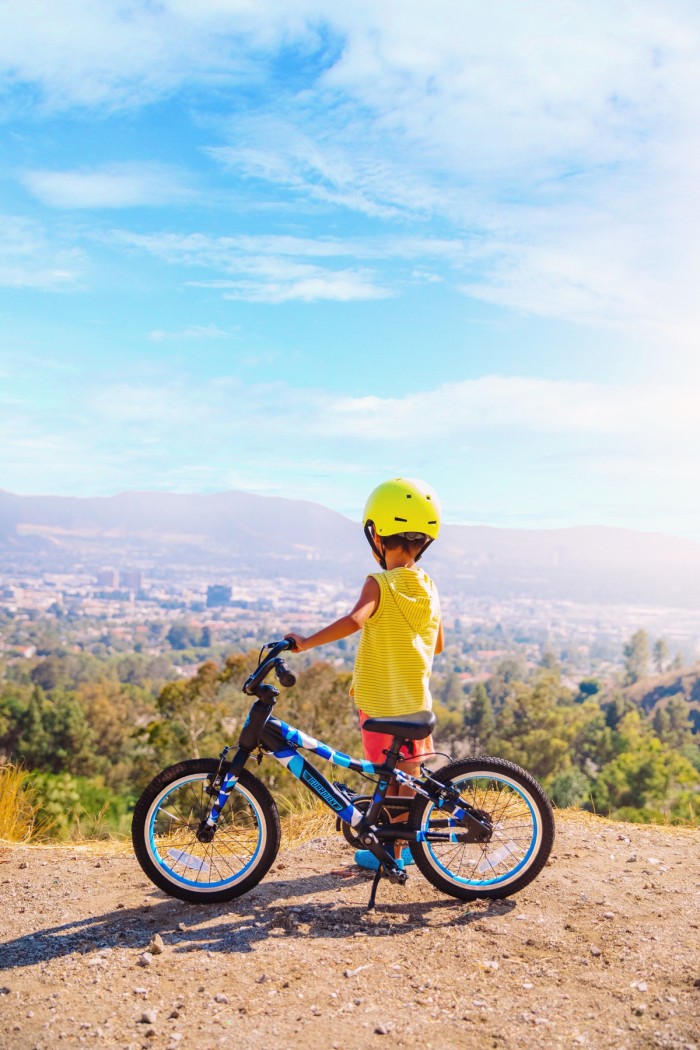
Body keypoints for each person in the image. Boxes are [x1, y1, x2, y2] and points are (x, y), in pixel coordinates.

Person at [286, 477, 443, 871]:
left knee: (388, 782)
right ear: (423, 540)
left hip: (379, 705)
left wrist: (305, 642)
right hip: (415, 704)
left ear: (376, 534)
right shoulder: (429, 587)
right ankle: (398, 850)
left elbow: (355, 620)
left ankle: (391, 854)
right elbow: (437, 644)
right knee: (405, 780)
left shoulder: (379, 584)